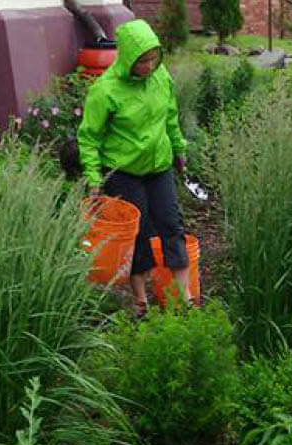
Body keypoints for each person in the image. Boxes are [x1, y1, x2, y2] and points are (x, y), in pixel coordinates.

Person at [78, 19, 192, 317]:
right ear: (128, 57)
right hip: (124, 172)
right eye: (143, 60)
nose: (150, 65)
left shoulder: (160, 76)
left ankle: (186, 297)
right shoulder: (105, 91)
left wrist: (179, 150)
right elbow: (89, 138)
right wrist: (93, 178)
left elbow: (171, 117)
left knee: (171, 224)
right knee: (138, 234)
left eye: (154, 58)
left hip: (159, 166)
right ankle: (141, 302)